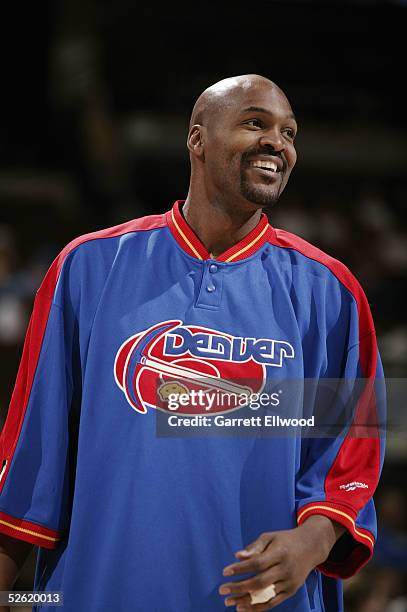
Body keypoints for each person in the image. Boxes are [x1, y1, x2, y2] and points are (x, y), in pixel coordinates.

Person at [0, 74, 385, 611]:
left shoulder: (330, 292)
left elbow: (349, 461)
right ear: (197, 139)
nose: (277, 142)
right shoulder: (88, 267)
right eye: (255, 122)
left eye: (289, 132)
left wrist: (311, 543)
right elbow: (31, 459)